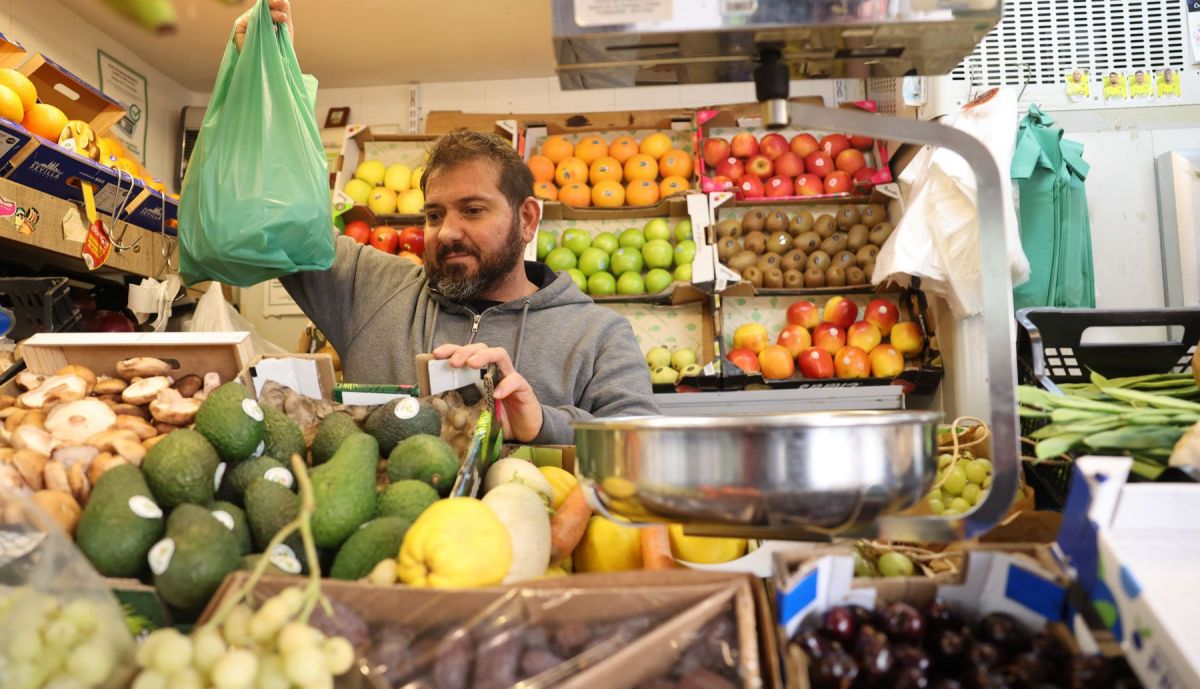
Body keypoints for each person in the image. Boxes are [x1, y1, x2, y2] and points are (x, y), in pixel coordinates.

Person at [232, 1, 658, 445]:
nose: (448, 232)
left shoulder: (598, 335)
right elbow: (280, 217)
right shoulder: (367, 287)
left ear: (527, 218)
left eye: (473, 210)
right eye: (434, 215)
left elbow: (644, 443)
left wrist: (541, 422)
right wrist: (265, 82)